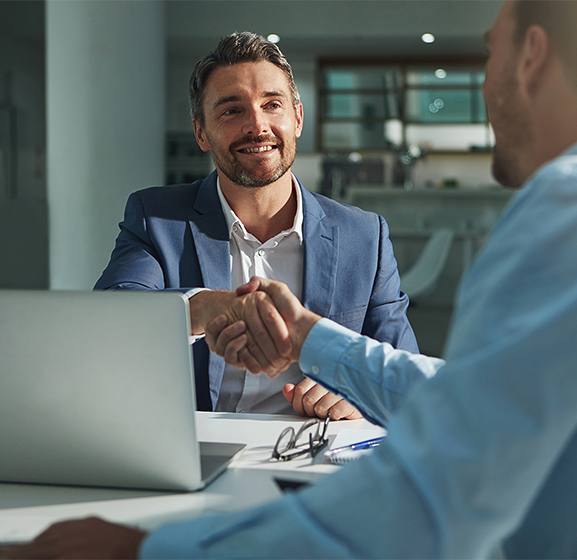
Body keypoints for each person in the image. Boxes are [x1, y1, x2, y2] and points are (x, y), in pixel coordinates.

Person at [7, 0, 577, 558]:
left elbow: (434, 499)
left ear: (531, 56)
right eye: (231, 110)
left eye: (487, 55)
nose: (483, 83)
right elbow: (464, 405)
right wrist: (311, 340)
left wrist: (145, 551)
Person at [93, 32, 418, 418]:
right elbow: (110, 319)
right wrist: (207, 307)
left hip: (313, 454)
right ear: (201, 132)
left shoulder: (364, 236)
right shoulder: (155, 217)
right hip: (193, 455)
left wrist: (362, 395)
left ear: (297, 118)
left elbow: (404, 373)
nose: (257, 125)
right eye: (232, 110)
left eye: (272, 104)